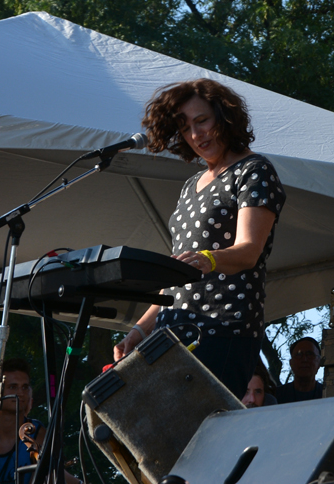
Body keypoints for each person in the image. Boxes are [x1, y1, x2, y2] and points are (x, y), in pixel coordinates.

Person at [113, 78, 286, 400]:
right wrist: (139, 330)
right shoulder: (192, 184)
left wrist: (209, 259)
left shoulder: (254, 170)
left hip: (222, 328)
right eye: (185, 127)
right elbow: (177, 275)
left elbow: (249, 251)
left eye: (202, 120)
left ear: (225, 117)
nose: (195, 134)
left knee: (198, 432)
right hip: (172, 329)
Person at [275, 337, 323, 403]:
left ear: (319, 362)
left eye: (310, 354)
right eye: (299, 355)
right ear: (291, 363)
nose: (304, 360)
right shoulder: (275, 397)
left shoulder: (329, 395)